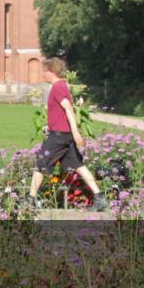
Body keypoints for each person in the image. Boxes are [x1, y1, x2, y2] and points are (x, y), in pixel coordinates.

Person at [26, 58, 108, 212]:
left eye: (45, 71)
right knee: (78, 165)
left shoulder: (57, 87)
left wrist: (76, 134)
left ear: (52, 72)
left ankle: (30, 200)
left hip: (59, 136)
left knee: (41, 164)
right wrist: (49, 125)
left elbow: (69, 109)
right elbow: (62, 113)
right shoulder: (61, 86)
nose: (43, 74)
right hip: (63, 134)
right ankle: (99, 198)